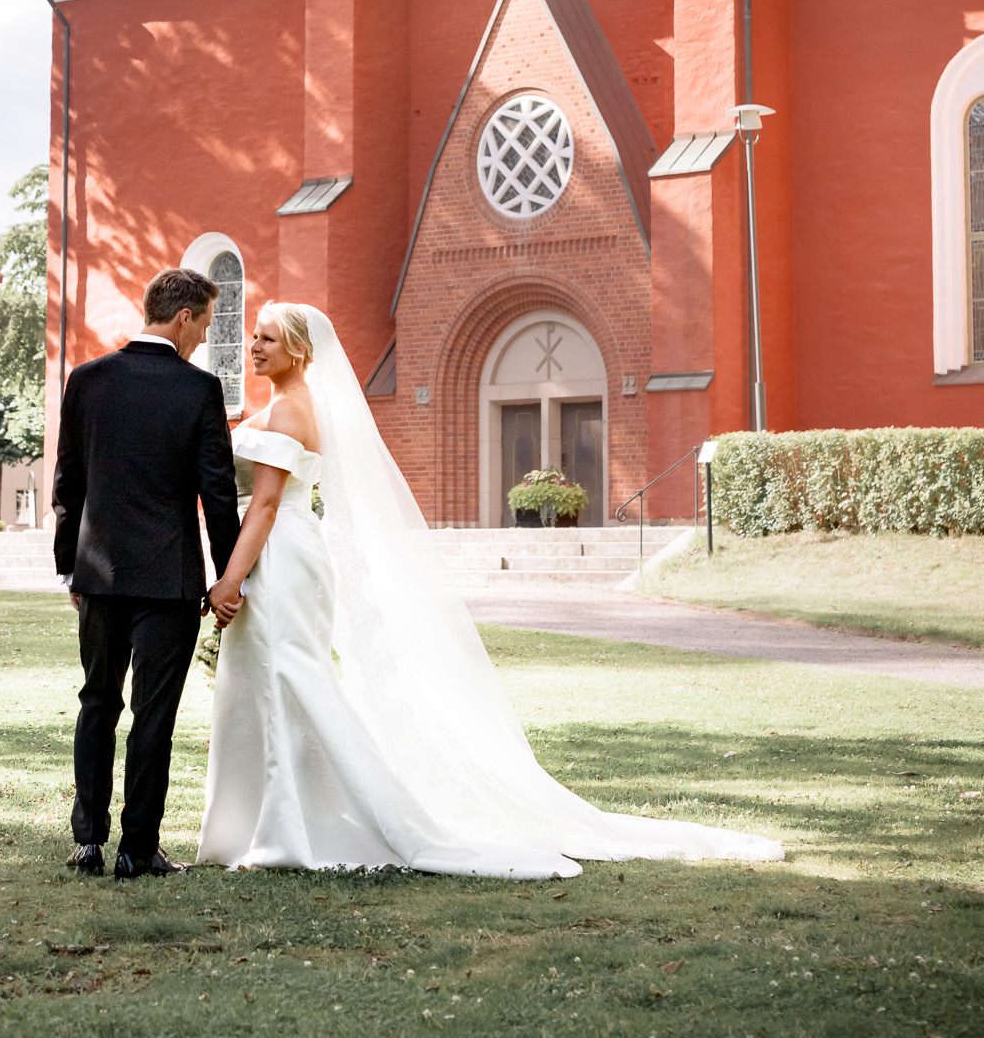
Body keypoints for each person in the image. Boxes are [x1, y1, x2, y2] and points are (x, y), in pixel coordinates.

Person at [198, 302, 784, 878]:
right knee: (278, 677)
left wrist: (228, 580)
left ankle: (304, 824)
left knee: (292, 677)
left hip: (280, 552)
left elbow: (269, 503)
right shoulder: (287, 405)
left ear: (299, 349)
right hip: (289, 551)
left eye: (267, 338)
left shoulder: (290, 411)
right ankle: (277, 819)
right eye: (254, 336)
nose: (254, 346)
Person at [52, 267, 240, 880]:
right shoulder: (199, 390)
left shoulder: (86, 381)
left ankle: (87, 844)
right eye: (205, 325)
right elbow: (217, 496)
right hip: (169, 581)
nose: (203, 340)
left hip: (99, 577)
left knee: (97, 703)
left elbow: (67, 485)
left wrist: (70, 570)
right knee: (152, 716)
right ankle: (137, 850)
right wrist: (229, 575)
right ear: (183, 317)